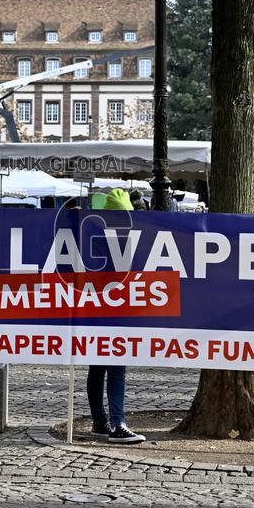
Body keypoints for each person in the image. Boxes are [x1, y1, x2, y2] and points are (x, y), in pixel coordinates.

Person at [87, 188, 144, 444]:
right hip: (113, 309)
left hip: (95, 308)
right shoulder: (122, 239)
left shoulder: (90, 235)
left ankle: (100, 421)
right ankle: (117, 423)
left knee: (98, 367)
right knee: (116, 368)